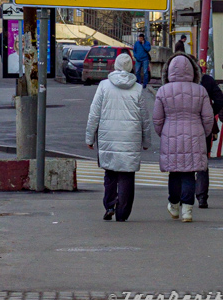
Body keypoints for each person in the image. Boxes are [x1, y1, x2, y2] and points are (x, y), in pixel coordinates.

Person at [85, 52, 151, 222]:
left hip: (108, 137)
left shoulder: (104, 86)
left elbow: (94, 113)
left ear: (115, 66)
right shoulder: (137, 88)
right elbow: (144, 117)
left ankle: (109, 205)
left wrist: (89, 137)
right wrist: (146, 141)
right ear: (130, 67)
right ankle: (122, 213)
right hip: (130, 137)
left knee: (111, 172)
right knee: (127, 176)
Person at [152, 53, 214, 223]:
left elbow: (157, 119)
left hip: (170, 134)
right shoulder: (200, 90)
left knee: (174, 172)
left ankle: (173, 204)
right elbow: (208, 118)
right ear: (193, 71)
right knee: (189, 173)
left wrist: (163, 133)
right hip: (195, 133)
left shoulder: (163, 91)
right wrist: (204, 133)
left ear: (169, 71)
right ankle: (187, 209)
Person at [195, 70, 223, 207]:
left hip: (181, 127)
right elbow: (220, 99)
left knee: (184, 161)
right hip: (203, 126)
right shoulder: (207, 80)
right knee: (202, 161)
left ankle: (184, 196)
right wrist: (210, 113)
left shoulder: (177, 83)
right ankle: (202, 197)